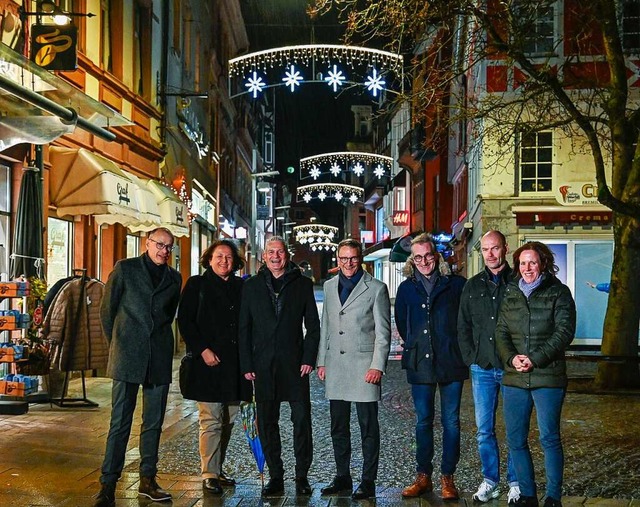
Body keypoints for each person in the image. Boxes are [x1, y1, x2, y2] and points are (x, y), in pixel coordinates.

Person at [94, 227, 182, 506]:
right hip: (127, 354)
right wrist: (118, 344)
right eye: (159, 245)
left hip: (158, 355)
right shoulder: (125, 269)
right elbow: (107, 312)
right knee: (120, 421)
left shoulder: (174, 278)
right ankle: (108, 484)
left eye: (169, 247)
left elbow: (168, 315)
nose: (164, 251)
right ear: (147, 243)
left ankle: (148, 479)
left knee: (153, 422)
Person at [238, 236, 320, 496]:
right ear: (264, 256)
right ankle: (276, 475)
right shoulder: (250, 286)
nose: (275, 256)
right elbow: (244, 329)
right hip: (262, 365)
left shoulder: (303, 285)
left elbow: (313, 327)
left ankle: (302, 475)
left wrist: (308, 358)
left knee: (302, 421)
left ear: (288, 255)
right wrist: (247, 363)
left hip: (295, 365)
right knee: (267, 422)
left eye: (280, 252)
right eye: (271, 252)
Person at [496, 241, 576, 507]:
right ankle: (528, 495)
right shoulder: (510, 292)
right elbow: (501, 332)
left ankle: (553, 497)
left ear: (542, 263)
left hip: (547, 376)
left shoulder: (559, 292)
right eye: (522, 263)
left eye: (532, 262)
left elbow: (564, 332)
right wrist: (511, 357)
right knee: (516, 439)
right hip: (515, 377)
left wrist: (535, 358)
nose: (527, 268)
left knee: (548, 437)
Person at [394, 232, 467, 501]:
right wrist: (417, 344)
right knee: (423, 421)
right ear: (412, 260)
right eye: (418, 257)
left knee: (451, 422)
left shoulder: (455, 285)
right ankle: (422, 476)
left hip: (451, 359)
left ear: (435, 257)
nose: (424, 261)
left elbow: (464, 321)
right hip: (419, 362)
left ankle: (448, 477)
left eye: (428, 256)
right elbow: (403, 324)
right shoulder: (405, 288)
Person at [317, 239, 391, 500]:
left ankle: (368, 480)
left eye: (353, 258)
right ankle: (342, 476)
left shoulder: (376, 288)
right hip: (336, 365)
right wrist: (321, 361)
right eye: (343, 258)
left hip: (364, 368)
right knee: (338, 426)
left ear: (361, 258)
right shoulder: (328, 286)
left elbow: (383, 333)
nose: (348, 263)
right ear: (337, 259)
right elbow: (326, 324)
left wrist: (377, 366)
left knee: (368, 427)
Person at [177, 240, 252, 494]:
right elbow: (185, 321)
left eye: (229, 257)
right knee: (210, 419)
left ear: (235, 262)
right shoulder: (197, 284)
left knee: (228, 420)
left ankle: (218, 470)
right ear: (209, 259)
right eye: (219, 256)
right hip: (207, 364)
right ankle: (209, 473)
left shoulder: (242, 286)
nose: (224, 261)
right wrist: (202, 349)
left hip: (234, 365)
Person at [458, 230, 521, 504]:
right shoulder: (472, 286)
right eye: (485, 249)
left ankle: (516, 482)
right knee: (484, 429)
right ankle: (491, 480)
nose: (491, 254)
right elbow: (463, 325)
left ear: (505, 248)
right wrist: (471, 356)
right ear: (481, 252)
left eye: (495, 248)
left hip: (511, 367)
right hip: (482, 367)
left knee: (514, 429)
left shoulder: (519, 282)